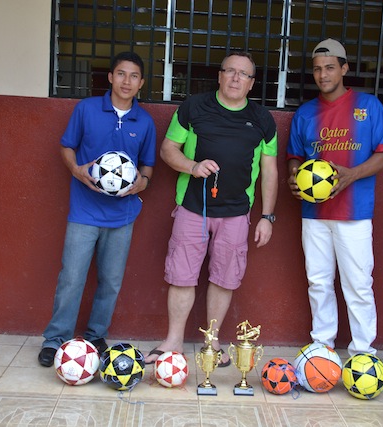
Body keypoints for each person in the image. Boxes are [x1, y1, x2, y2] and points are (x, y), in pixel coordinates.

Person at [144, 51, 278, 365]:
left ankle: (211, 342)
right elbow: (168, 149)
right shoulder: (193, 107)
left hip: (236, 213)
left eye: (243, 74)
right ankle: (173, 340)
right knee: (181, 276)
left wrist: (267, 216)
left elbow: (269, 170)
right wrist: (192, 166)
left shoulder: (262, 119)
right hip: (193, 207)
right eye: (229, 71)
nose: (235, 78)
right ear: (219, 76)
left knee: (224, 278)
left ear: (251, 83)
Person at [38, 51, 157, 367]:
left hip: (123, 214)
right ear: (110, 77)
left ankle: (94, 334)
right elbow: (66, 146)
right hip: (84, 211)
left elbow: (147, 165)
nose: (126, 81)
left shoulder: (144, 121)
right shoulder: (86, 109)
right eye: (120, 74)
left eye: (133, 76)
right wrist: (77, 170)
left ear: (141, 82)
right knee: (72, 277)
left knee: (111, 280)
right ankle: (55, 339)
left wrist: (142, 183)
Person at [287, 39, 383, 357]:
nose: (323, 75)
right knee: (318, 280)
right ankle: (323, 343)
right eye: (318, 69)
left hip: (355, 212)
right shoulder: (306, 113)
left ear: (344, 68)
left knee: (358, 283)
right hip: (314, 212)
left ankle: (363, 350)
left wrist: (351, 175)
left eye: (330, 67)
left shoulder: (368, 106)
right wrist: (294, 177)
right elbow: (293, 156)